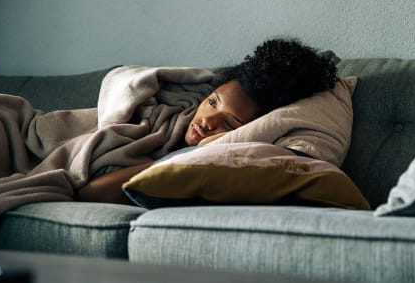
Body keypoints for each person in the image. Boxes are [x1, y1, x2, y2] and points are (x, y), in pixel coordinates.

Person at [76, 38, 339, 204]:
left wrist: (171, 163)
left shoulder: (212, 161)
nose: (207, 122)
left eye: (230, 124)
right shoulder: (168, 114)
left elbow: (91, 193)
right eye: (213, 103)